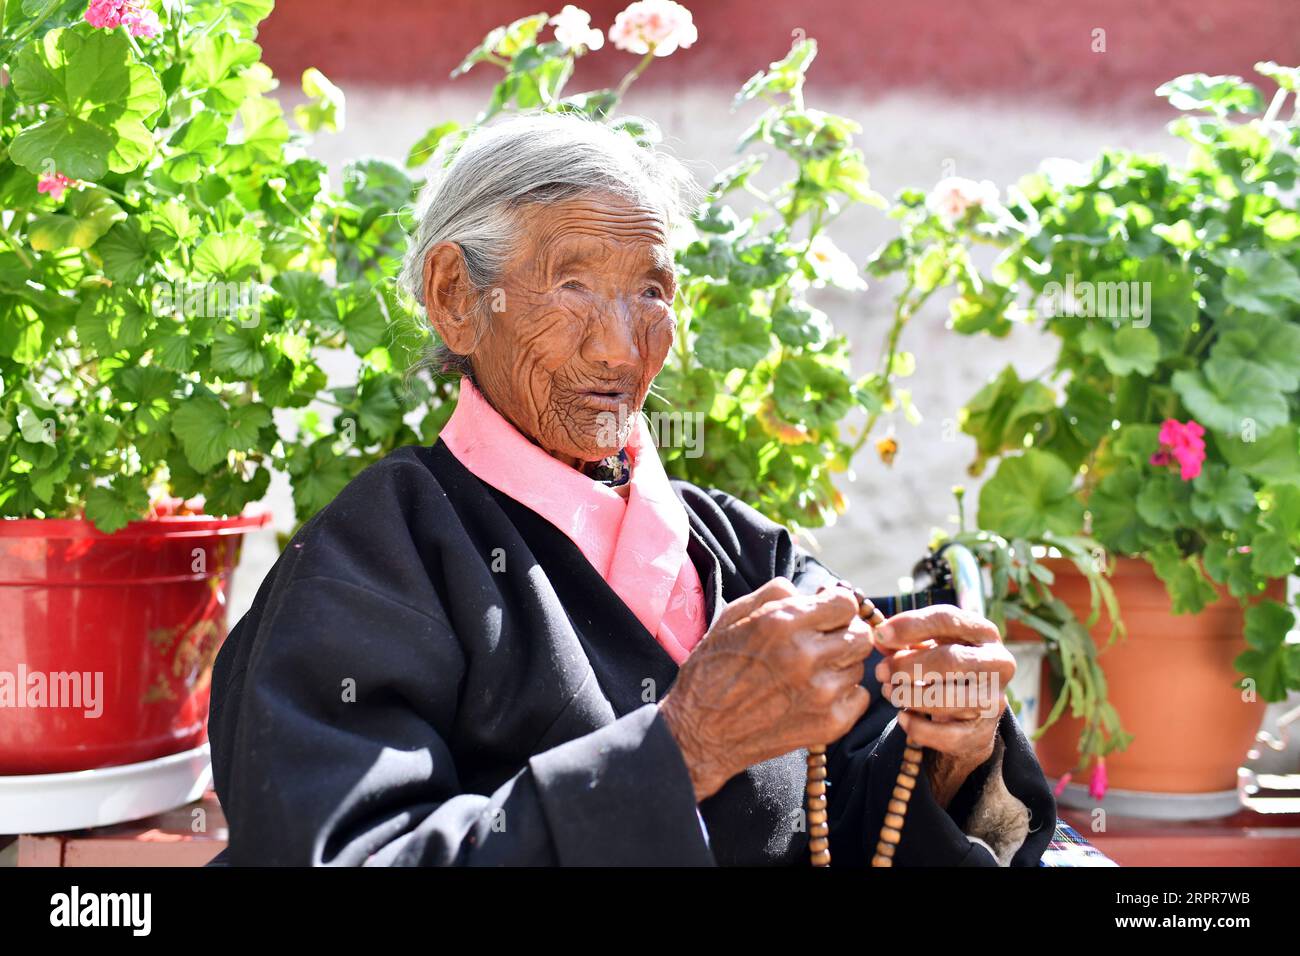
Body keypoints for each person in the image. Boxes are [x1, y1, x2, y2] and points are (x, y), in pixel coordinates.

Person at [208, 112, 1054, 866]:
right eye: (573, 285)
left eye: (650, 290)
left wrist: (950, 750)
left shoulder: (748, 555)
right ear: (456, 297)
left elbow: (849, 818)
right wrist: (680, 750)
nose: (618, 350)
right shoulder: (375, 561)